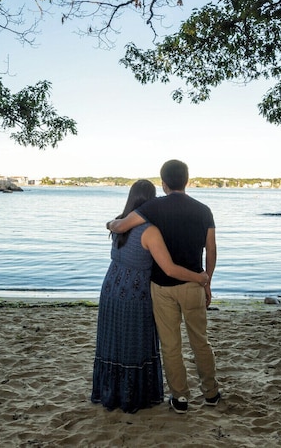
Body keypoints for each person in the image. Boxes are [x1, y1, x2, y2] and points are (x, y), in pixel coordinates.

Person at [105, 159, 219, 414]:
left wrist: (109, 224)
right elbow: (211, 249)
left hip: (162, 286)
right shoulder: (204, 210)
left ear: (164, 183)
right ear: (187, 180)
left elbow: (121, 226)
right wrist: (207, 280)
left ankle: (180, 398)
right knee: (200, 340)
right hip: (194, 285)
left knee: (170, 345)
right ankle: (211, 393)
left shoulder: (153, 207)